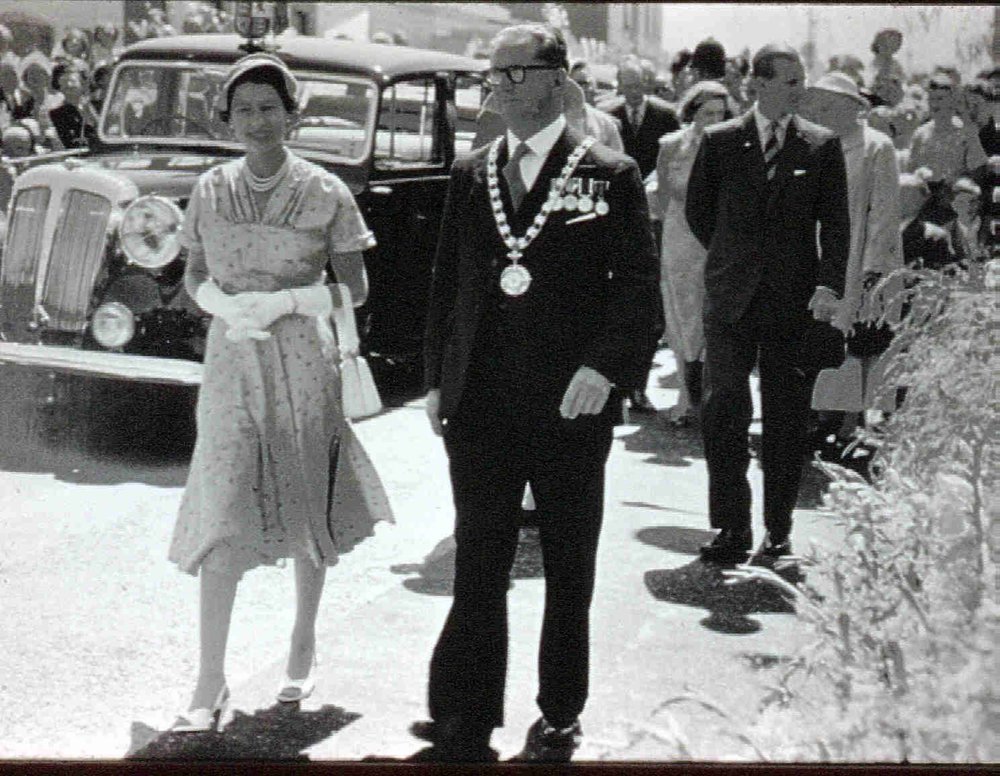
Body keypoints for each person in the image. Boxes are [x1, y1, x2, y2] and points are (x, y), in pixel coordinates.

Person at [416, 23, 661, 763]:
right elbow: (447, 285)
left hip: (568, 406)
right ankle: (465, 709)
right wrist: (436, 377)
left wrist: (604, 369)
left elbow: (639, 298)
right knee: (479, 560)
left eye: (515, 74)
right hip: (483, 403)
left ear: (558, 77)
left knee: (567, 564)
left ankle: (560, 707)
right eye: (493, 76)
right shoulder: (473, 169)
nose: (501, 88)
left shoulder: (609, 173)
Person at [167, 53, 393, 732]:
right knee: (224, 495)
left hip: (300, 358)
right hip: (233, 361)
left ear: (291, 115)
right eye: (244, 110)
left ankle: (302, 638)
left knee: (300, 492)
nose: (257, 121)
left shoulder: (327, 191)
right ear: (228, 120)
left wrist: (289, 301)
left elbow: (354, 288)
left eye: (270, 108)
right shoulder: (209, 188)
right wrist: (218, 302)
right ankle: (210, 675)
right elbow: (193, 273)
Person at [685, 43, 850, 564]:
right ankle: (731, 526)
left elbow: (837, 225)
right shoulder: (720, 142)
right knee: (724, 412)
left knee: (785, 420)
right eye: (791, 81)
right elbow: (699, 214)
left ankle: (777, 531)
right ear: (759, 84)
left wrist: (828, 285)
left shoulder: (821, 146)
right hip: (731, 301)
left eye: (801, 80)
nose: (800, 90)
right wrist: (735, 261)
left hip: (791, 305)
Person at [802, 72, 904, 451]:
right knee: (821, 330)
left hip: (859, 254)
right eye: (819, 104)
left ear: (852, 108)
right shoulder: (813, 144)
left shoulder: (876, 146)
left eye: (831, 105)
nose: (823, 111)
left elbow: (884, 213)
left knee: (858, 336)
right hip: (820, 252)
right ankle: (822, 414)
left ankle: (849, 421)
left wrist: (873, 269)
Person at [653, 80, 736, 426]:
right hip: (680, 237)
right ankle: (685, 397)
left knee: (710, 315)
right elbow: (660, 197)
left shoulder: (734, 145)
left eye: (721, 113)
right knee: (680, 314)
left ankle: (709, 396)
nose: (714, 119)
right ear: (692, 113)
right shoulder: (672, 146)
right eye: (707, 113)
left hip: (718, 240)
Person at [608, 56, 679, 412]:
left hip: (655, 217)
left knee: (650, 303)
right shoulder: (609, 116)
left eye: (638, 86)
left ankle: (636, 385)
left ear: (648, 85)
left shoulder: (666, 116)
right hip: (617, 217)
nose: (632, 94)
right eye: (627, 87)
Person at [567, 59, 624, 152]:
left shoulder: (605, 124)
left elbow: (618, 161)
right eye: (577, 83)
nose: (581, 89)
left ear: (593, 86)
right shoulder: (555, 122)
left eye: (585, 83)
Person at [48, 60, 98, 149]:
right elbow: (68, 143)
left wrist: (89, 110)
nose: (69, 85)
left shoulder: (99, 105)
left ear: (82, 83)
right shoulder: (57, 114)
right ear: (59, 86)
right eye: (64, 82)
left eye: (72, 81)